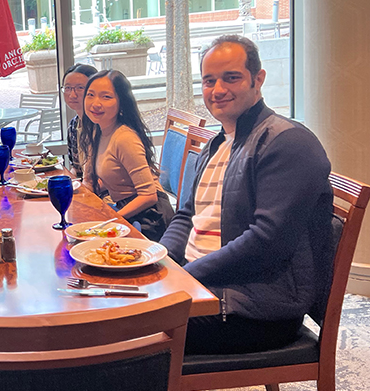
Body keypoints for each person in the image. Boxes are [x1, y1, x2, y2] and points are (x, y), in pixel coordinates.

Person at [159, 35, 333, 355]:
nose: (218, 90)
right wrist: (159, 262)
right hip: (206, 286)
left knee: (127, 332)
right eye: (209, 80)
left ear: (258, 79)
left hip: (258, 307)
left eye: (232, 77)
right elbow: (186, 215)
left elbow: (267, 241)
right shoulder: (217, 143)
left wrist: (182, 276)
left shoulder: (288, 142)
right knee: (108, 303)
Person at [80, 70, 174, 241]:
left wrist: (111, 219)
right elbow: (94, 180)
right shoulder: (97, 132)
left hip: (149, 217)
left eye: (106, 97)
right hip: (125, 210)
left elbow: (148, 195)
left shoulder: (124, 138)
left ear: (121, 102)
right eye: (90, 95)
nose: (95, 103)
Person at [62, 63, 98, 177]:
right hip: (84, 188)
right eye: (68, 88)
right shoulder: (73, 125)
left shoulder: (101, 125)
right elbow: (76, 169)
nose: (72, 95)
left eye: (80, 88)